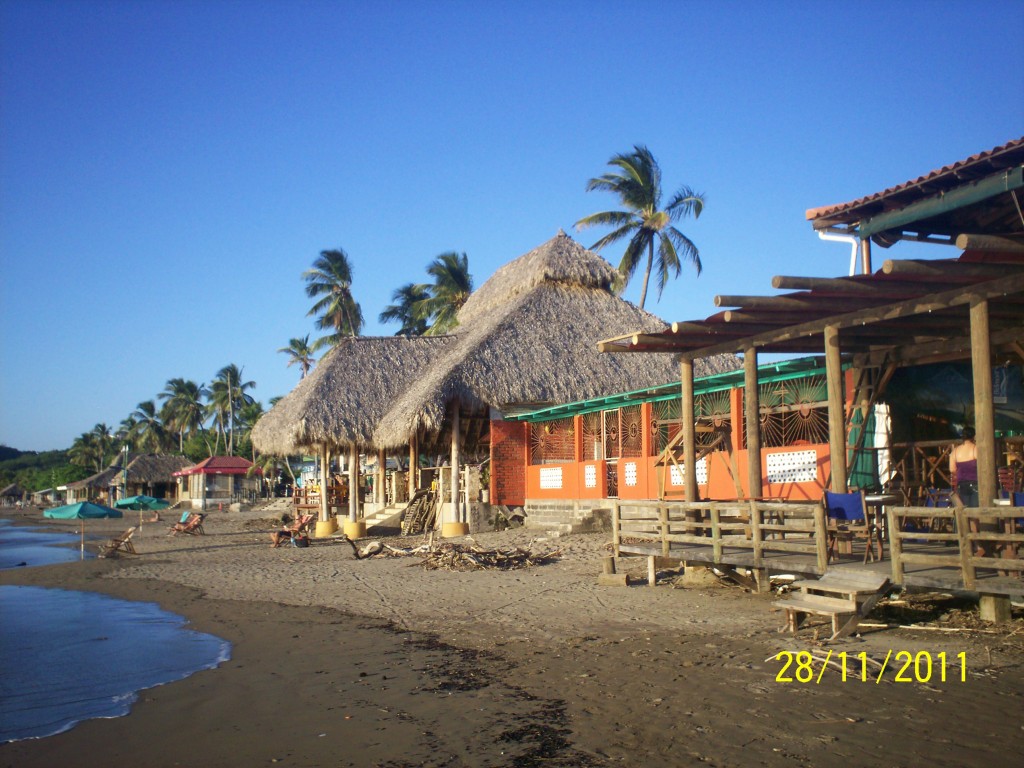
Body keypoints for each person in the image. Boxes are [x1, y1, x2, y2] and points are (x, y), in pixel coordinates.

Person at [950, 426, 979, 507]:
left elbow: (952, 469)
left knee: (964, 512)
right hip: (975, 483)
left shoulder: (955, 451)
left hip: (961, 484)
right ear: (974, 436)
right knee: (975, 512)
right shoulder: (975, 449)